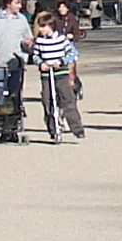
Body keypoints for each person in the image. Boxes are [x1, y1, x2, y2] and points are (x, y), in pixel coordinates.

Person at [0, 0, 33, 126]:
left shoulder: (21, 19)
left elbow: (28, 38)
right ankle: (0, 125)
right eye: (16, 3)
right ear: (8, 4)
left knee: (15, 95)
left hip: (16, 64)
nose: (20, 6)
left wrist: (27, 44)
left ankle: (14, 125)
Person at [31, 9, 81, 142]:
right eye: (40, 27)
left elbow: (73, 54)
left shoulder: (61, 39)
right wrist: (40, 63)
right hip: (47, 75)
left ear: (50, 26)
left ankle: (76, 128)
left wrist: (62, 61)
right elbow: (35, 55)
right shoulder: (40, 41)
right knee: (48, 101)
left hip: (61, 74)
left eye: (43, 27)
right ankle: (53, 129)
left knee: (68, 100)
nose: (41, 30)